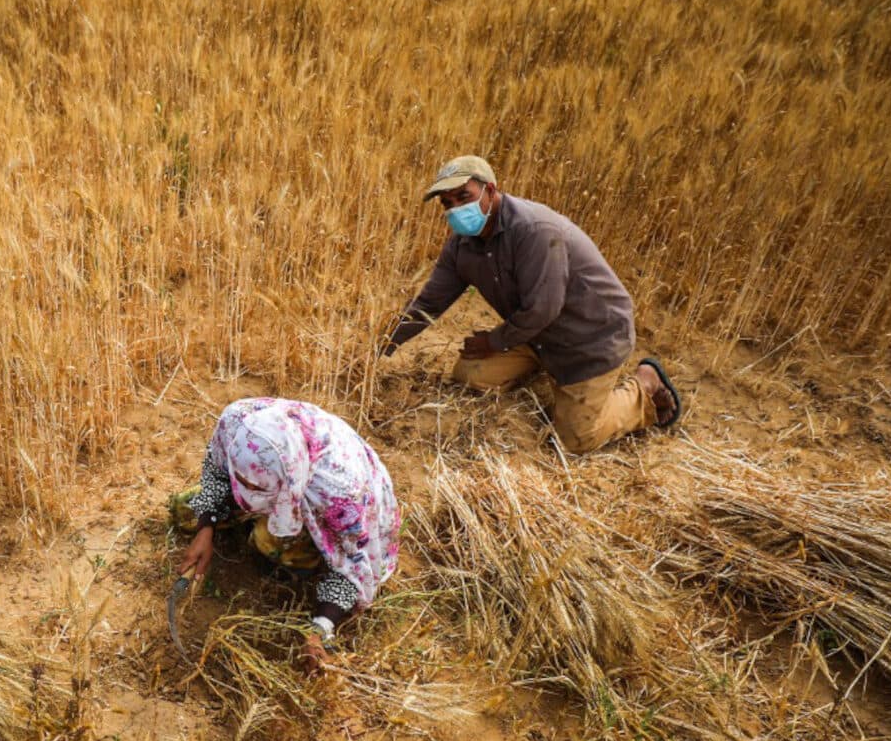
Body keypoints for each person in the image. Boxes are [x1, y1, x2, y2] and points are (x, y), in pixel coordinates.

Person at [382, 155, 680, 454]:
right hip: (536, 335)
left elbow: (544, 308)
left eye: (464, 196)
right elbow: (429, 303)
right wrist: (382, 343)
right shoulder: (461, 245)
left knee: (575, 440)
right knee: (470, 374)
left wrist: (495, 341)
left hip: (591, 339)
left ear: (491, 190)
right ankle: (541, 367)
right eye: (447, 203)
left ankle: (645, 386)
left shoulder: (535, 230)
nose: (457, 209)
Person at [175, 398, 400, 675]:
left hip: (335, 504)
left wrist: (320, 629)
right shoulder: (236, 423)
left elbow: (353, 569)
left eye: (258, 489)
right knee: (185, 509)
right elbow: (216, 467)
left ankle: (288, 546)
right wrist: (205, 528)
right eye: (242, 483)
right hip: (288, 481)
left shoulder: (340, 496)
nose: (246, 494)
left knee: (273, 549)